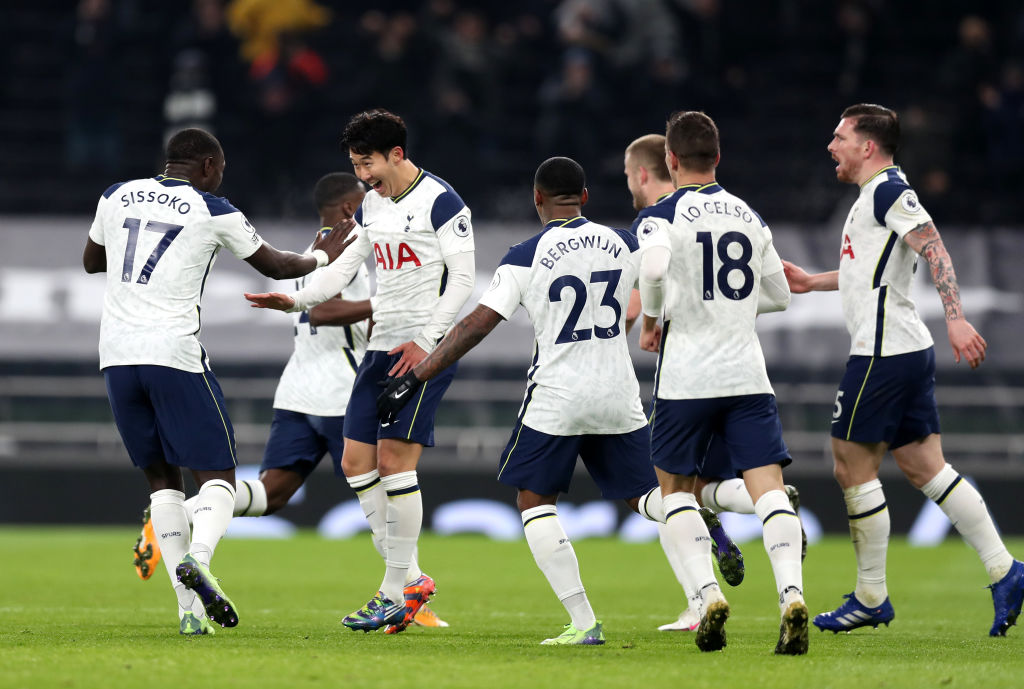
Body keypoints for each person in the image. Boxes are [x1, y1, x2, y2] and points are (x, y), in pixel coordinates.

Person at [377, 156, 673, 646]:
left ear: (537, 199)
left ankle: (583, 622)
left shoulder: (525, 254)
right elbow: (661, 281)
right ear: (585, 197)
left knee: (534, 501)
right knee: (650, 497)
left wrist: (419, 376)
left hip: (557, 396)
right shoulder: (625, 241)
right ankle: (699, 525)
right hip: (619, 393)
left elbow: (477, 325)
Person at [131, 171, 448, 629]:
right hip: (339, 393)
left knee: (270, 494)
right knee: (380, 489)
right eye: (366, 198)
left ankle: (178, 514)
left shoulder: (315, 247)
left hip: (299, 389)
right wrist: (393, 305)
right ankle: (408, 592)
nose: (377, 202)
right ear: (346, 210)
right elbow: (321, 309)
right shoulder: (350, 246)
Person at [83, 127, 354, 635]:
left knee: (162, 482)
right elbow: (277, 266)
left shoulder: (115, 195)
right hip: (174, 354)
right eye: (220, 169)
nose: (220, 177)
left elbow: (91, 262)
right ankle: (200, 558)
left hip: (116, 357)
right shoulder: (213, 208)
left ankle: (187, 612)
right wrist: (323, 255)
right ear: (207, 166)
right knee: (218, 481)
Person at [783, 103, 1024, 637]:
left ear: (867, 146)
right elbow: (868, 276)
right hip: (903, 350)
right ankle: (1006, 570)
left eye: (840, 136)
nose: (831, 145)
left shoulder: (890, 191)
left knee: (849, 464)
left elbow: (934, 247)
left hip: (883, 353)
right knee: (925, 467)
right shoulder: (874, 196)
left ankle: (871, 595)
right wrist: (810, 283)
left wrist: (957, 320)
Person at [244, 109, 476, 634]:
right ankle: (409, 580)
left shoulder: (442, 201)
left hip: (424, 351)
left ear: (396, 154)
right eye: (355, 164)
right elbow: (346, 269)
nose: (362, 175)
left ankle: (397, 588)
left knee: (395, 464)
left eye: (366, 163)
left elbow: (463, 281)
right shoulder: (372, 204)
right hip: (380, 348)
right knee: (354, 463)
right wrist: (293, 300)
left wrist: (426, 343)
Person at [634, 112, 807, 655]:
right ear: (718, 157)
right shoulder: (749, 216)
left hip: (687, 378)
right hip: (747, 376)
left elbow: (656, 270)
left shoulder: (663, 213)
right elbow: (778, 295)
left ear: (670, 160)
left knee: (675, 489)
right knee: (769, 489)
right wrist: (733, 308)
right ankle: (792, 597)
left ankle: (708, 595)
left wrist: (653, 318)